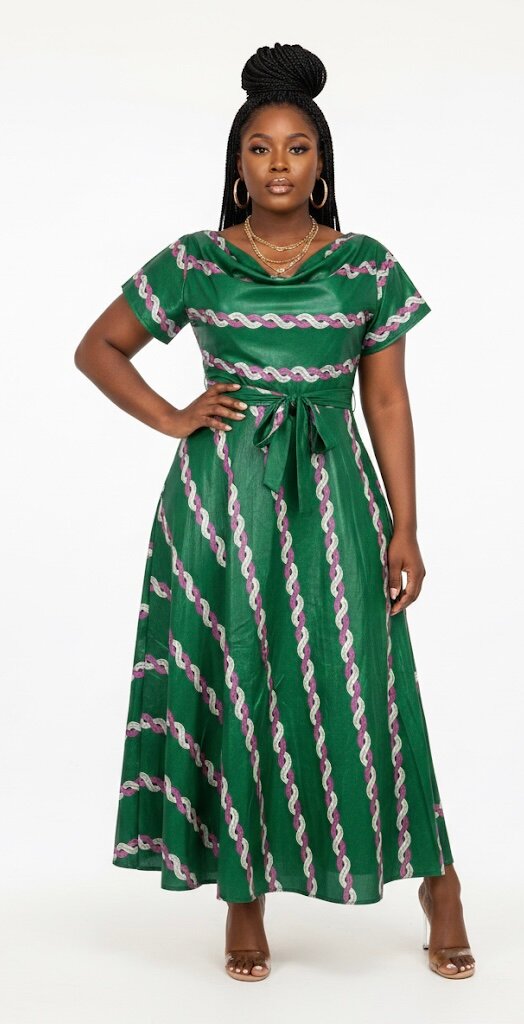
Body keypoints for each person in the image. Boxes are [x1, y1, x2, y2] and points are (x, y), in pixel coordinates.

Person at [74, 41, 476, 983]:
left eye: (297, 148)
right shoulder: (195, 260)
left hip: (338, 500)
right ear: (238, 161)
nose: (279, 164)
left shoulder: (367, 266)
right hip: (221, 501)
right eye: (260, 148)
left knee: (366, 681)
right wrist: (173, 416)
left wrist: (406, 524)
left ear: (321, 161)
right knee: (237, 678)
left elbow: (386, 400)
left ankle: (439, 880)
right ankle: (242, 894)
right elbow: (98, 349)